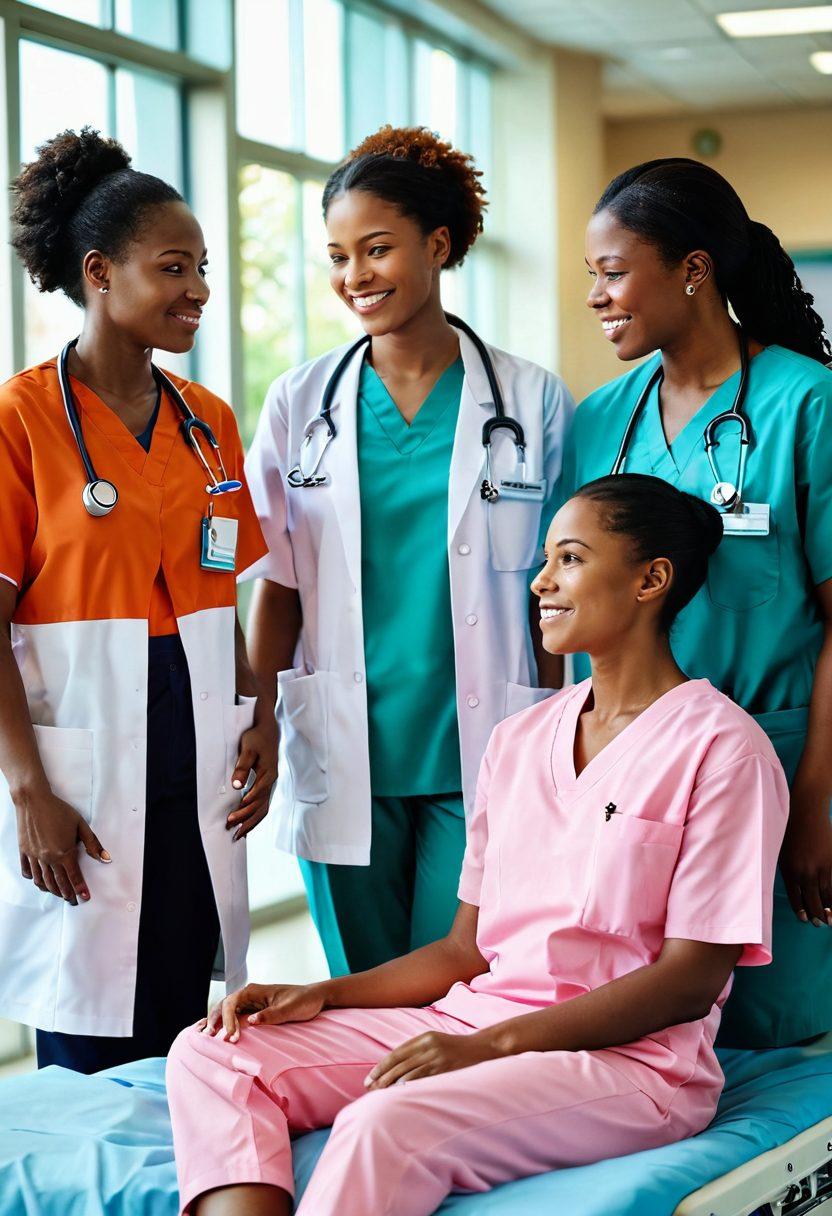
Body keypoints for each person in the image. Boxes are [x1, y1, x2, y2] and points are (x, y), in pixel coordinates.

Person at [166, 473, 789, 1216]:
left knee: (386, 1122)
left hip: (630, 1065)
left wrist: (491, 1049)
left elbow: (690, 980)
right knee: (214, 1051)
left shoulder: (723, 751)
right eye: (546, 559)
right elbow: (466, 951)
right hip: (472, 1018)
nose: (541, 582)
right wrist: (322, 994)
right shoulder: (518, 740)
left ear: (651, 580)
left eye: (570, 559)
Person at [243, 125, 573, 976]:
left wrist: (555, 726)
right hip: (344, 743)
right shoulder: (299, 402)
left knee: (457, 984)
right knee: (359, 987)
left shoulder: (529, 398)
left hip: (486, 744)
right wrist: (259, 720)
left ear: (437, 244)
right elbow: (278, 583)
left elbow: (557, 586)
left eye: (377, 248)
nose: (355, 275)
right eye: (338, 256)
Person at [0, 128, 277, 1073]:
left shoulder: (209, 422)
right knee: (88, 1028)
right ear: (99, 272)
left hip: (195, 745)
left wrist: (257, 714)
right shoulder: (21, 419)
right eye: (173, 268)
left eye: (201, 269)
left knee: (183, 1025)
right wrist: (29, 789)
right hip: (82, 758)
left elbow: (223, 591)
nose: (197, 289)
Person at [572, 156, 832, 1048]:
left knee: (774, 1036)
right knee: (643, 1033)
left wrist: (814, 805)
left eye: (613, 273)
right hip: (635, 782)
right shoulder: (601, 419)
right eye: (591, 277)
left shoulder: (807, 403)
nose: (597, 297)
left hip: (778, 770)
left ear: (693, 269)